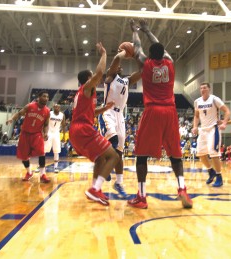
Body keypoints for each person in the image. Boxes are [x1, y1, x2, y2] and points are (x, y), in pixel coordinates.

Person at [127, 19, 193, 209]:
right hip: (170, 112)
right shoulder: (170, 63)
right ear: (163, 54)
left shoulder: (145, 64)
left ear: (150, 55)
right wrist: (147, 30)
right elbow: (157, 47)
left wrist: (135, 31)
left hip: (153, 110)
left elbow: (137, 48)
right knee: (175, 154)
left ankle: (141, 196)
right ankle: (182, 188)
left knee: (141, 154)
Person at [69, 42, 119, 206]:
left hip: (77, 131)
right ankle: (95, 189)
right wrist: (104, 54)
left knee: (100, 159)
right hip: (83, 130)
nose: (96, 79)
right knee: (113, 156)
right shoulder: (86, 87)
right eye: (93, 77)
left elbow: (89, 113)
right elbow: (99, 73)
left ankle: (94, 190)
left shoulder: (84, 94)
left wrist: (103, 108)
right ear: (88, 79)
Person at [98, 48, 141, 198]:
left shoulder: (126, 80)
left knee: (119, 152)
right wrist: (124, 52)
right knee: (113, 141)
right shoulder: (110, 78)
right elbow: (116, 59)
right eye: (116, 67)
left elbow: (141, 72)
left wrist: (136, 56)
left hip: (120, 116)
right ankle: (105, 165)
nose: (119, 67)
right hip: (107, 112)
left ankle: (119, 182)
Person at [6, 91, 51, 183]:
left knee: (41, 153)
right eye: (44, 96)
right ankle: (29, 172)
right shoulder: (30, 106)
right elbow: (19, 113)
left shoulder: (47, 111)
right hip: (25, 134)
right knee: (24, 156)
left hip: (37, 134)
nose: (46, 98)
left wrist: (45, 133)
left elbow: (46, 124)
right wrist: (11, 119)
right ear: (39, 97)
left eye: (47, 97)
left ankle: (43, 174)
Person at [192, 82, 230, 187]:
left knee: (213, 154)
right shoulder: (197, 101)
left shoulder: (214, 99)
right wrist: (195, 126)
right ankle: (211, 171)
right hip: (203, 130)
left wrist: (224, 123)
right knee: (200, 154)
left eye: (204, 88)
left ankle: (219, 177)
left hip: (213, 129)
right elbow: (196, 116)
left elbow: (227, 111)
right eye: (201, 88)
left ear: (209, 89)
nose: (202, 90)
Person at [44, 103, 66, 173]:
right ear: (53, 107)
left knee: (56, 151)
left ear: (60, 108)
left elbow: (64, 126)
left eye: (58, 107)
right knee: (44, 150)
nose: (57, 108)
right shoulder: (49, 113)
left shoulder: (62, 115)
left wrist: (64, 136)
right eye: (56, 107)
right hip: (49, 132)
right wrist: (44, 133)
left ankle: (56, 167)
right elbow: (45, 124)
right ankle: (41, 166)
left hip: (56, 133)